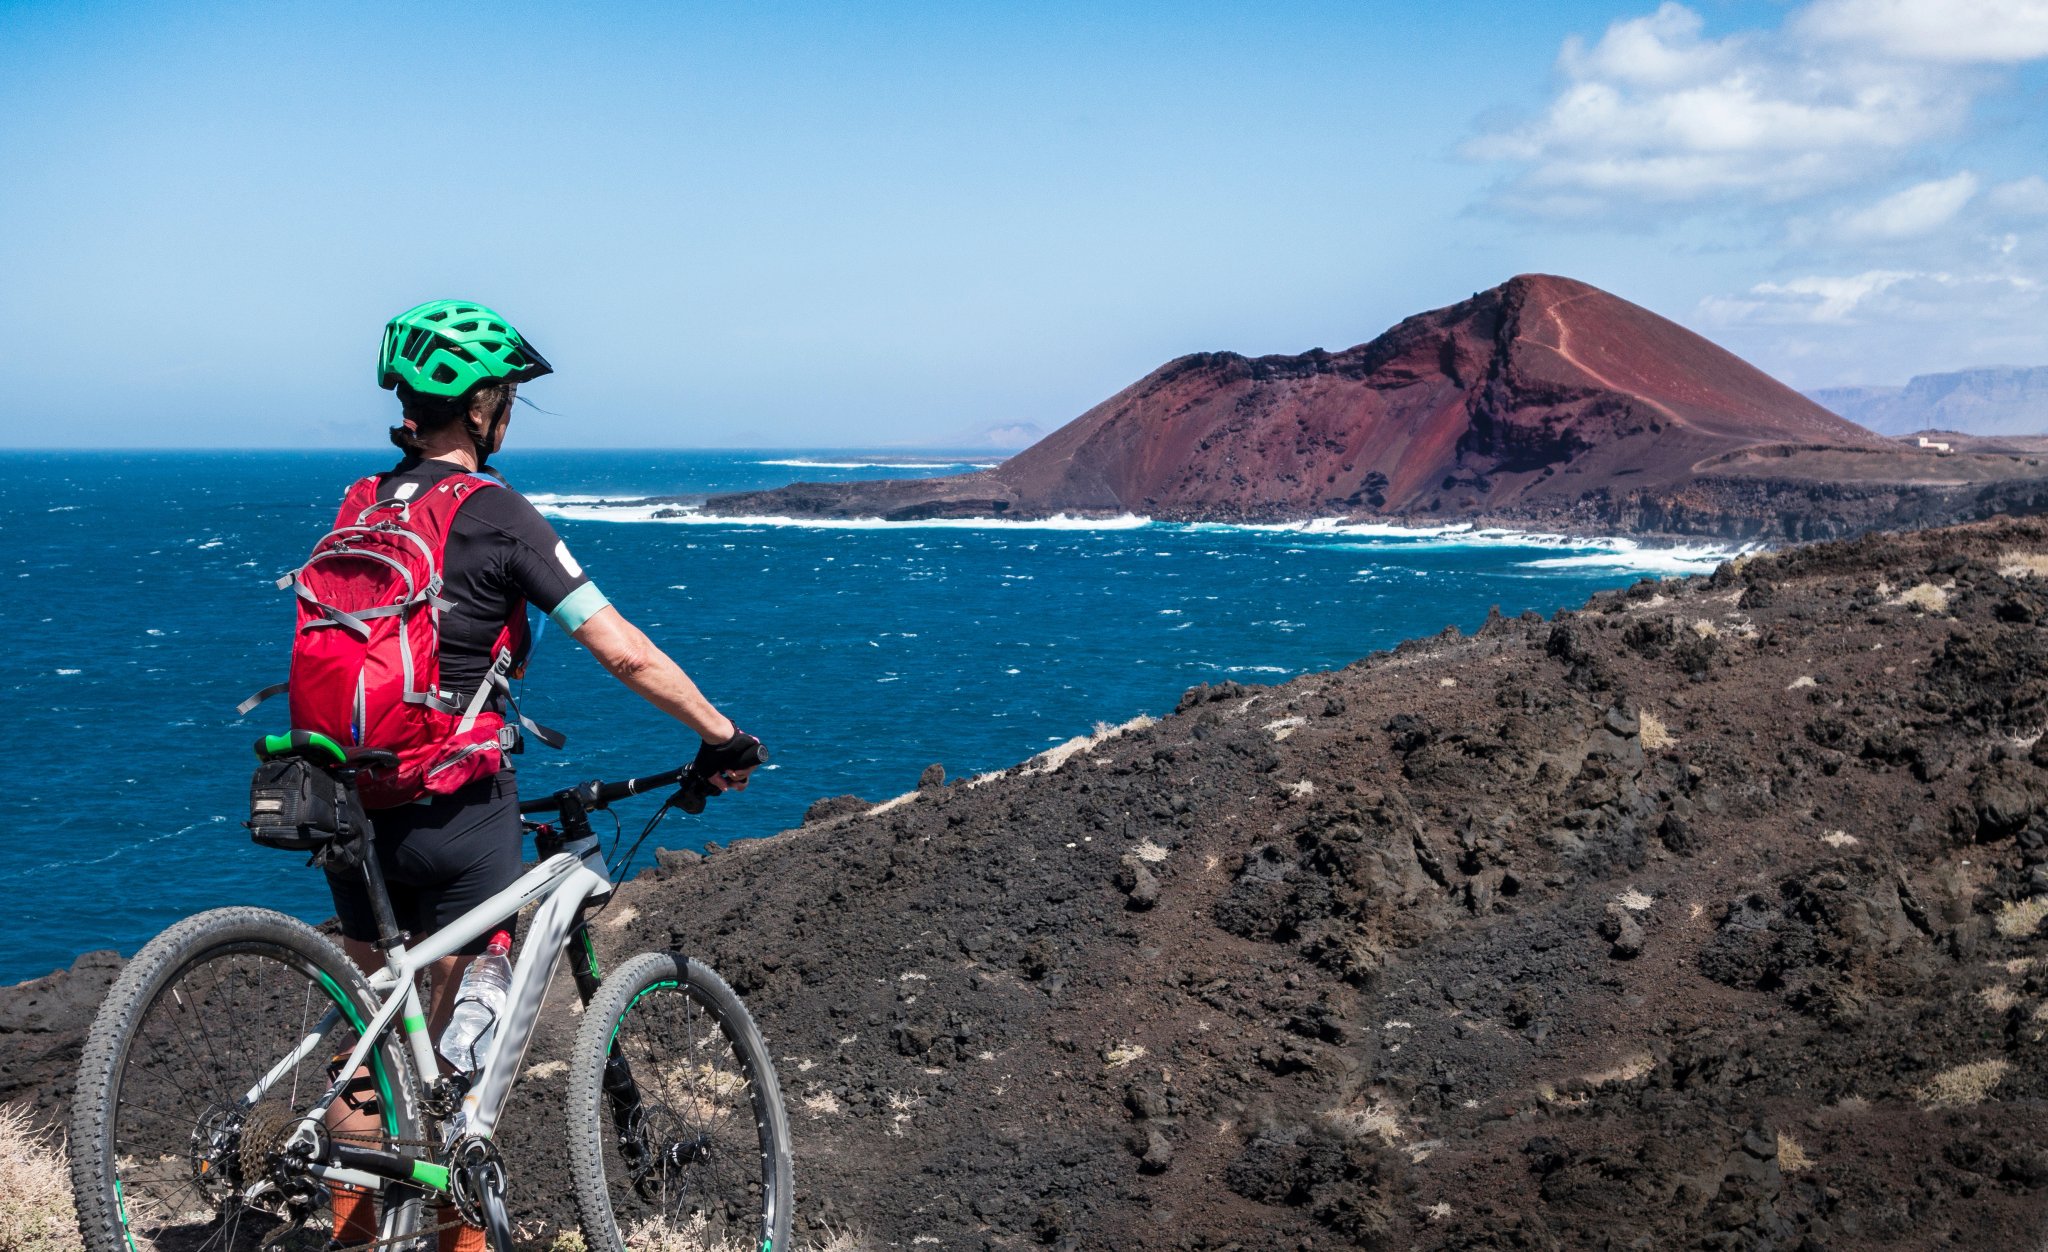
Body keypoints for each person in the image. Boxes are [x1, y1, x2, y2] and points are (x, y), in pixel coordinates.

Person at [325, 300, 762, 1251]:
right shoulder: (496, 513)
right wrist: (721, 734)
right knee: (457, 1077)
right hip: (455, 805)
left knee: (374, 1051)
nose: (509, 412)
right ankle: (458, 1240)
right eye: (506, 397)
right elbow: (624, 652)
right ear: (484, 407)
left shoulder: (363, 502)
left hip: (351, 803)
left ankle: (351, 1235)